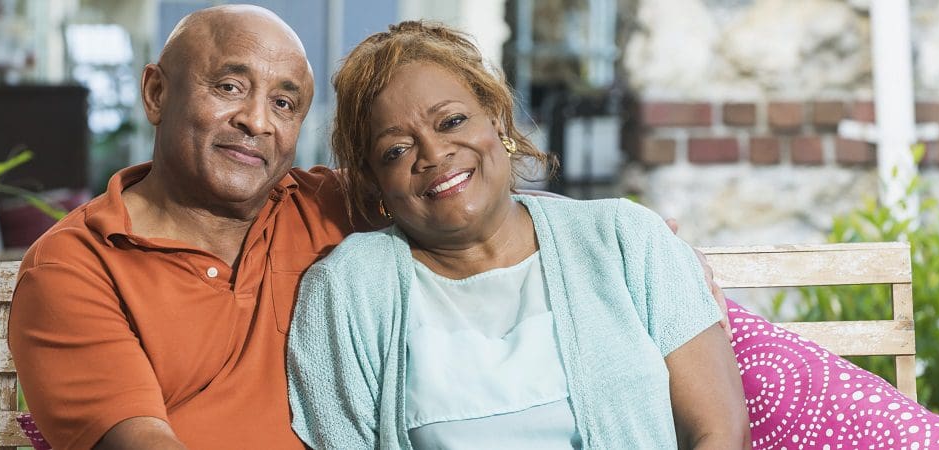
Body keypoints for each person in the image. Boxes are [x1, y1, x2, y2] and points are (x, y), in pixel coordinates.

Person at [286, 21, 750, 449]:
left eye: (452, 121)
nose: (434, 153)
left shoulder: (624, 238)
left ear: (496, 119)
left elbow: (721, 431)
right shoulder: (346, 291)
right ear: (373, 179)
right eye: (397, 149)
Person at [7, 5, 356, 449]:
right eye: (230, 87)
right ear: (156, 93)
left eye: (283, 104)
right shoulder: (76, 267)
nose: (257, 121)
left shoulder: (331, 208)